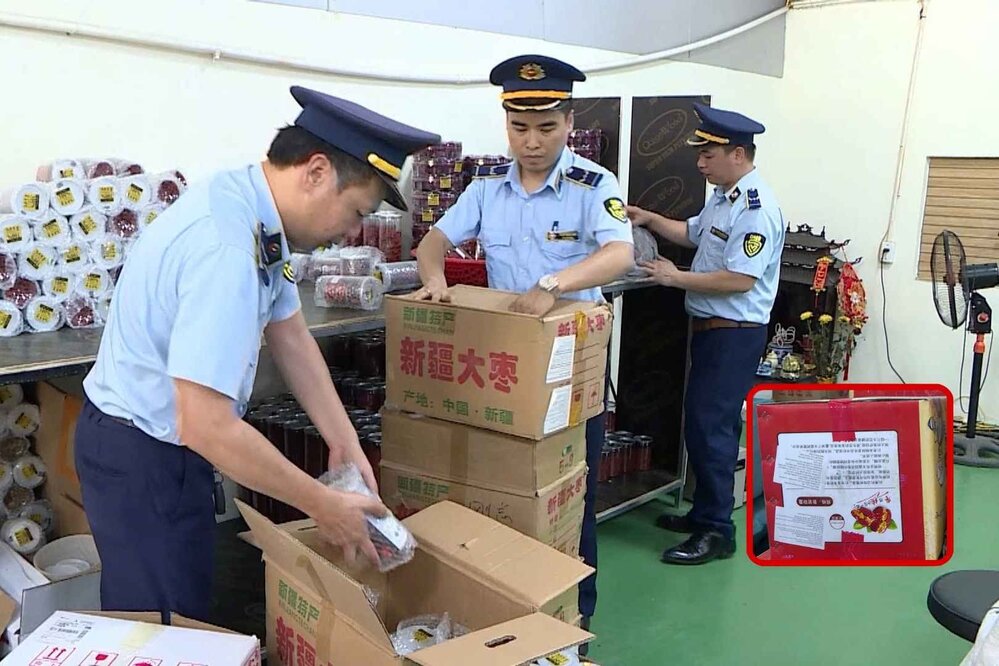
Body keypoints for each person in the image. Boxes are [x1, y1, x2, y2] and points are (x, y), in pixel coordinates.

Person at [76, 86, 441, 620]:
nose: (353, 231)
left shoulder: (252, 209)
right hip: (144, 457)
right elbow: (205, 424)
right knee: (161, 630)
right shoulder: (226, 248)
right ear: (316, 171)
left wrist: (343, 443)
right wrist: (323, 506)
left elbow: (289, 332)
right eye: (356, 209)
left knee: (184, 613)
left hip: (162, 447)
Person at [412, 54, 635, 648]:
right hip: (501, 367)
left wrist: (552, 285)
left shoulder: (594, 184)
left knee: (569, 493)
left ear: (568, 121)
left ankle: (574, 618)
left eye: (545, 127)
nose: (531, 142)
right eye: (519, 128)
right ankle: (502, 607)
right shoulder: (487, 187)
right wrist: (434, 276)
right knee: (501, 493)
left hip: (568, 368)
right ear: (506, 125)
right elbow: (433, 240)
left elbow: (620, 254)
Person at [627, 102, 784, 565]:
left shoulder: (756, 210)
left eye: (708, 154)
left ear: (738, 154)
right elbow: (695, 233)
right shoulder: (725, 196)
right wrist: (650, 218)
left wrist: (674, 278)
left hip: (733, 334)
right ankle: (703, 515)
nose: (699, 162)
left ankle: (716, 531)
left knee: (712, 431)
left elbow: (740, 278)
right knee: (701, 426)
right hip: (712, 331)